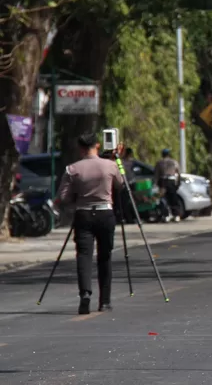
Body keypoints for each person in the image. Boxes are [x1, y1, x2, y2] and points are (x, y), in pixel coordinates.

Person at [56, 133, 124, 314]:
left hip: (83, 215)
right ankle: (105, 301)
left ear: (80, 148)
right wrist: (117, 161)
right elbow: (120, 184)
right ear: (98, 145)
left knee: (84, 256)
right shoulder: (110, 165)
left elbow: (63, 196)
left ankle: (85, 294)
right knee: (105, 256)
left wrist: (75, 201)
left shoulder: (72, 169)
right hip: (105, 213)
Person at [154, 148, 181, 222]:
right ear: (169, 154)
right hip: (171, 181)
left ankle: (166, 215)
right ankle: (176, 215)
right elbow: (178, 173)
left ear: (162, 154)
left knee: (164, 199)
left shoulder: (159, 163)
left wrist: (155, 184)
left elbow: (156, 175)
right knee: (173, 198)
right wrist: (178, 183)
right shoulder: (174, 162)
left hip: (163, 181)